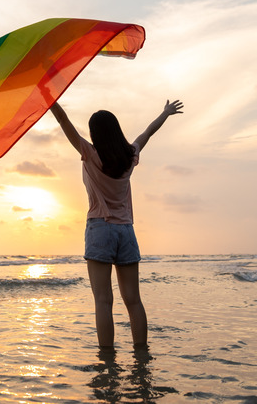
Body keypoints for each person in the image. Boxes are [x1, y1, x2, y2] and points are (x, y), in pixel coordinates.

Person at [50, 99, 184, 349]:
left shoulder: (89, 153)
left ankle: (107, 359)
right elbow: (148, 132)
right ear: (116, 130)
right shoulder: (129, 155)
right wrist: (165, 113)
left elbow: (62, 120)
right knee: (134, 301)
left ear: (94, 134)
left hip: (100, 229)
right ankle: (141, 355)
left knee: (103, 301)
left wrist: (49, 97)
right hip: (126, 231)